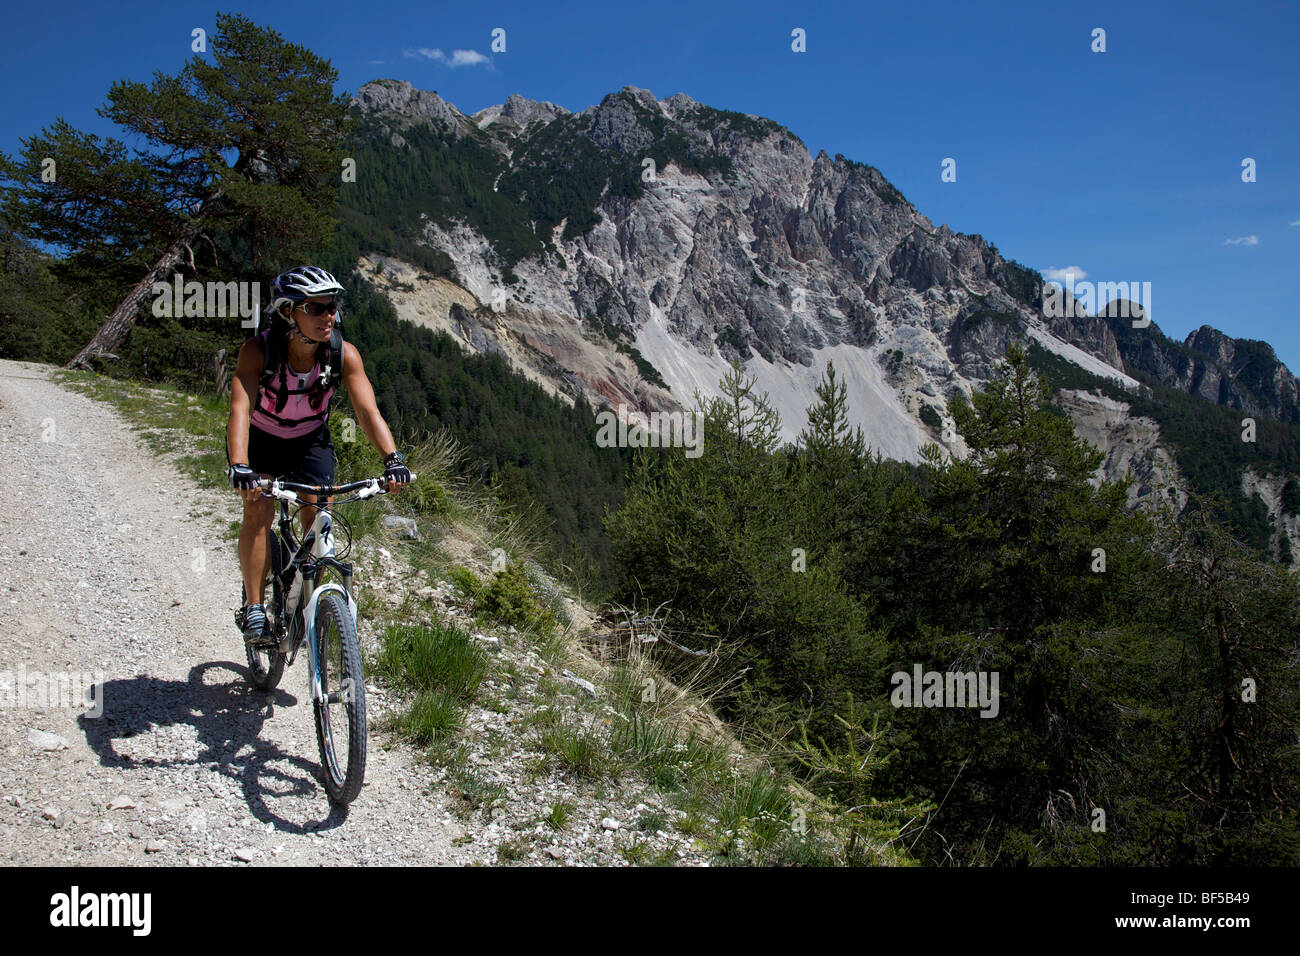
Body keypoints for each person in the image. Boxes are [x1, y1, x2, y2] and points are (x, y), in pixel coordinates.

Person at [225, 265, 410, 643]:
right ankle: (255, 608)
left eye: (332, 307)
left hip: (311, 442)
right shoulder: (259, 350)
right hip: (262, 440)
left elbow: (366, 412)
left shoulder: (343, 354)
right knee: (257, 508)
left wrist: (393, 459)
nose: (329, 316)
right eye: (315, 309)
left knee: (320, 522)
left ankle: (305, 601)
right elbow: (240, 410)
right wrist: (240, 466)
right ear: (287, 312)